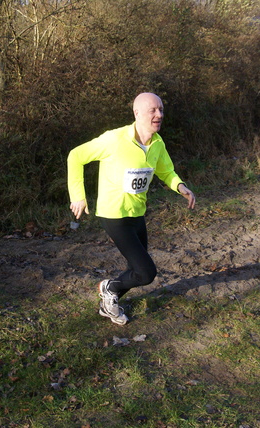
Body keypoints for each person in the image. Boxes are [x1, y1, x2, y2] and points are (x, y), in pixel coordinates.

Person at [67, 92, 196, 325]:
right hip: (114, 214)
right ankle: (109, 288)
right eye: (153, 110)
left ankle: (109, 301)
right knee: (146, 272)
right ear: (137, 113)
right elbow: (76, 156)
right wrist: (78, 196)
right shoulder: (114, 140)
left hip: (137, 213)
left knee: (136, 269)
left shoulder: (157, 143)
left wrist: (180, 186)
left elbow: (165, 170)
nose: (159, 115)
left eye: (161, 110)